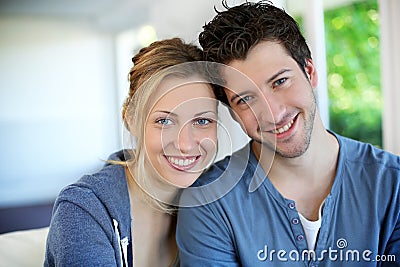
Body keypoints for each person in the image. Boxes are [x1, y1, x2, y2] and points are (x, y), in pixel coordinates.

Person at [176, 1, 400, 266]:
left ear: (310, 72)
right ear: (234, 114)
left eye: (280, 82)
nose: (272, 112)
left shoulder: (392, 185)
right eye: (245, 99)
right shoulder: (208, 202)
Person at [44, 38, 218, 266]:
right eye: (164, 121)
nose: (185, 144)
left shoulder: (217, 201)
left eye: (202, 120)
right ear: (132, 120)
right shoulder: (84, 210)